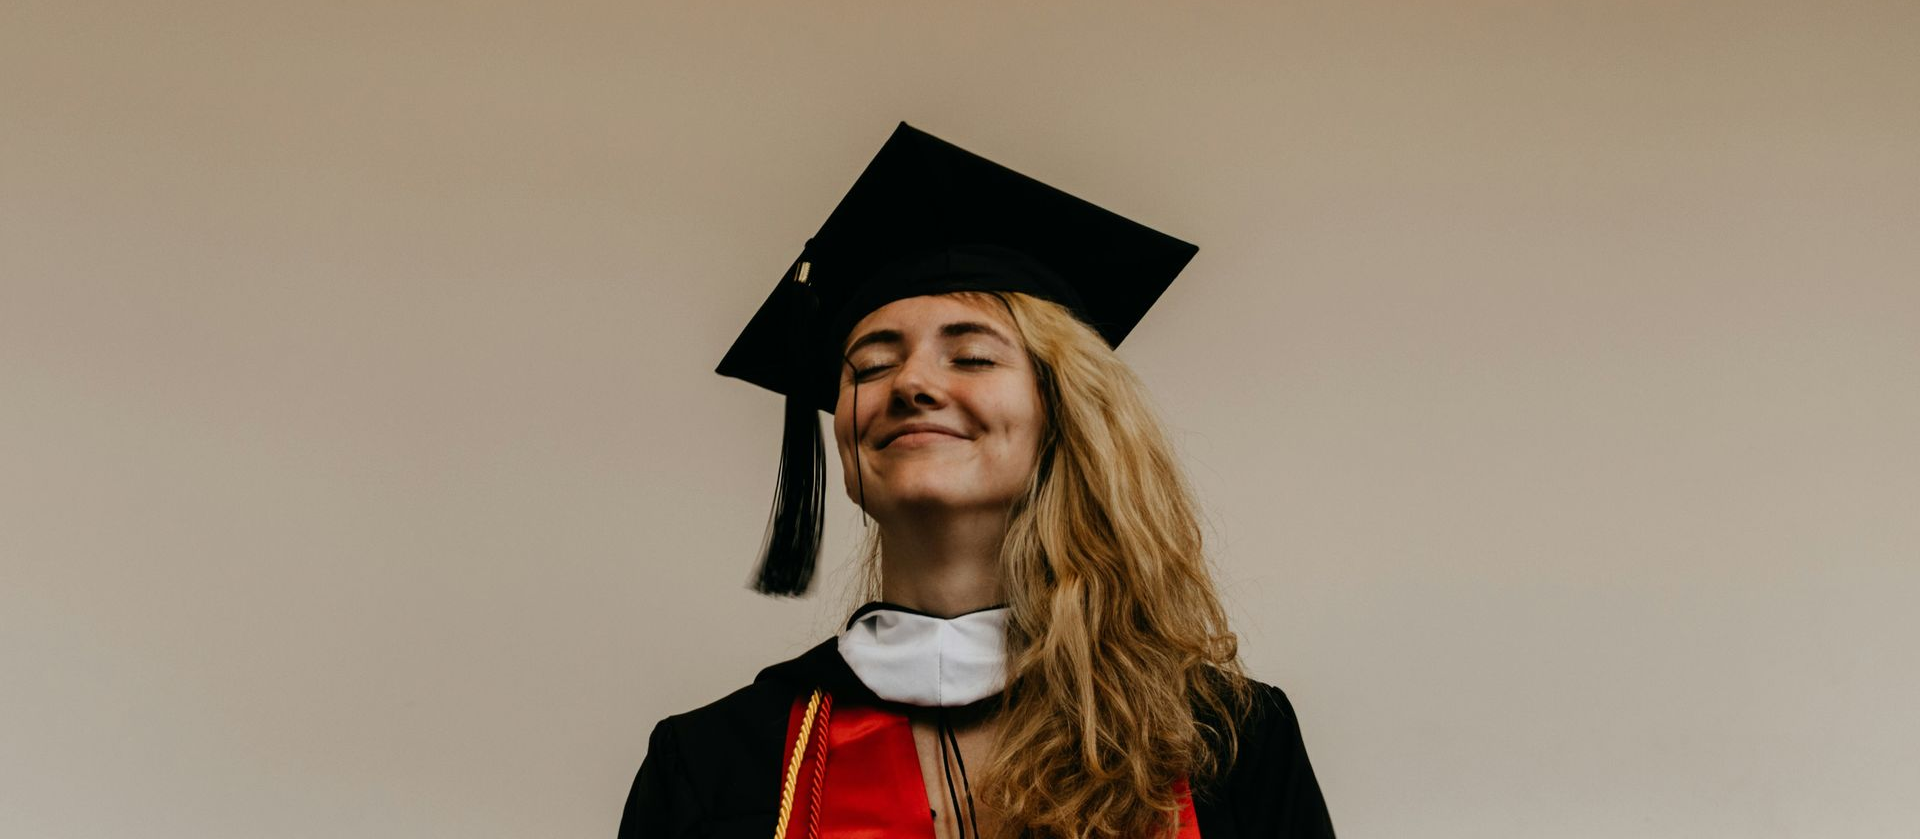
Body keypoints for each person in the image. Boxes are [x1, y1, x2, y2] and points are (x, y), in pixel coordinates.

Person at [619, 123, 1335, 838]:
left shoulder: (1219, 743)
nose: (912, 383)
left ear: (1061, 414)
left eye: (971, 357)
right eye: (870, 363)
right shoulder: (716, 766)